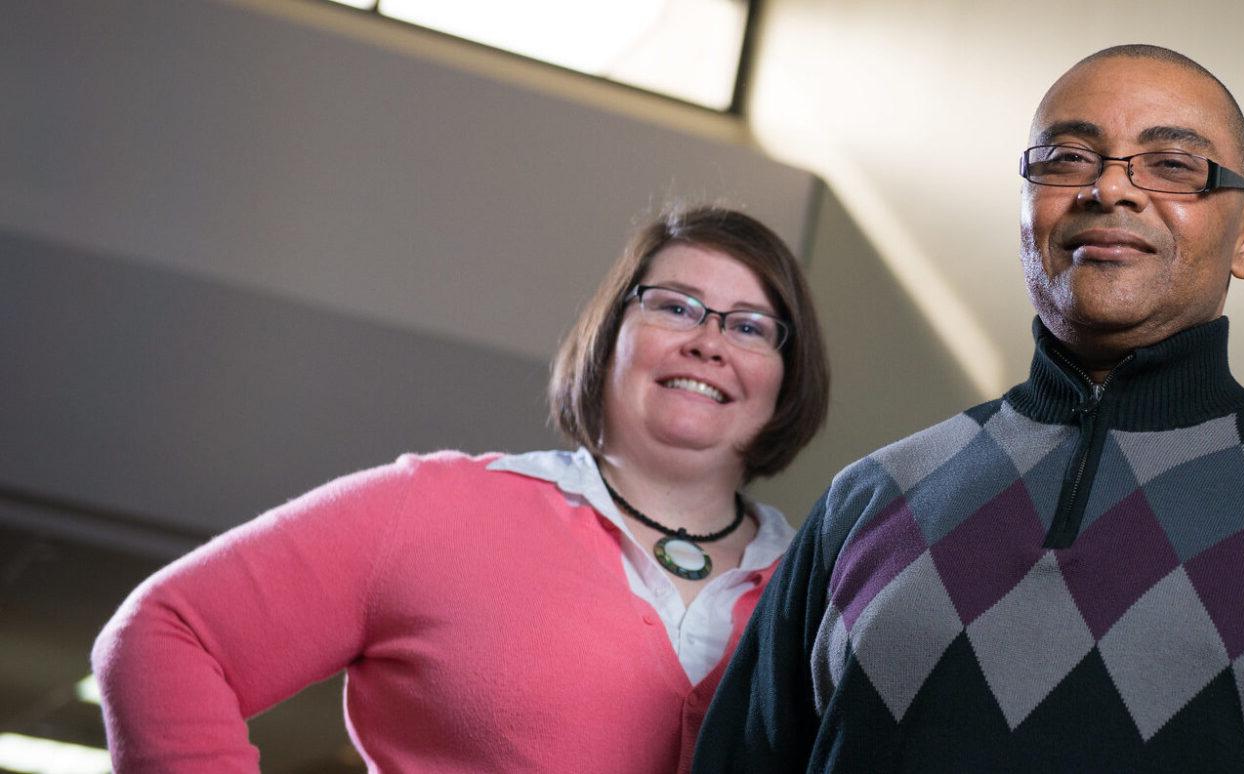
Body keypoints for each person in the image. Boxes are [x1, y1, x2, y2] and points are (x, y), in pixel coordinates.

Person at [695, 45, 1244, 772]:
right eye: (1067, 158)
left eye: (1174, 164)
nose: (1109, 188)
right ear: (1026, 211)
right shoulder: (865, 504)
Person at [91, 205, 831, 772]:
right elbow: (166, 633)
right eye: (673, 306)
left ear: (787, 378)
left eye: (752, 327)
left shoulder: (833, 592)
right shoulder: (434, 507)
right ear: (610, 334)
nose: (708, 341)